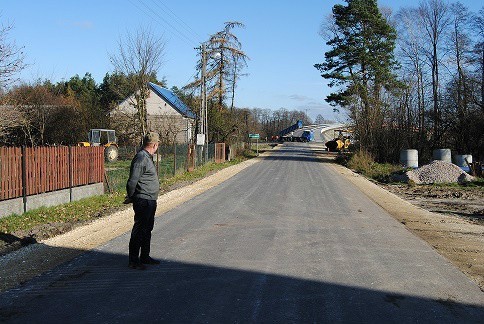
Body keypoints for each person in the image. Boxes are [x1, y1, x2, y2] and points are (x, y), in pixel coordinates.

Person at [125, 131, 161, 270]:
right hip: (143, 200)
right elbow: (132, 181)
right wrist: (132, 196)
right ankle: (134, 260)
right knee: (139, 230)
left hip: (150, 199)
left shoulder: (147, 157)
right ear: (154, 145)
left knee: (147, 229)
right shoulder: (141, 158)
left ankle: (145, 256)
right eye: (157, 145)